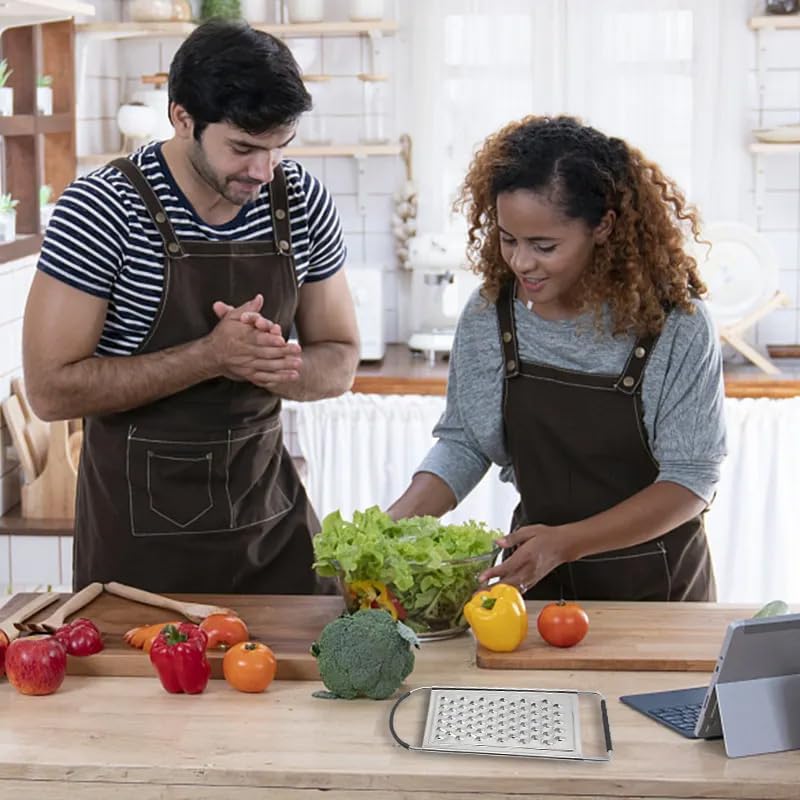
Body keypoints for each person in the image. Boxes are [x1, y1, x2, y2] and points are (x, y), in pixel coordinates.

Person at [22, 20, 360, 594]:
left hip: (270, 531)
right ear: (182, 118)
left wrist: (272, 363)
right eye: (244, 148)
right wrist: (210, 356)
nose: (264, 171)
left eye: (279, 147)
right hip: (139, 554)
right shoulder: (102, 208)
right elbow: (50, 391)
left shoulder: (299, 200)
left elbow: (342, 358)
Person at [388, 115, 726, 602]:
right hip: (536, 581)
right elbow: (465, 441)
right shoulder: (491, 315)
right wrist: (392, 526)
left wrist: (566, 544)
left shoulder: (675, 325)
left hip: (660, 591)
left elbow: (690, 481)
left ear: (604, 227)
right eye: (508, 239)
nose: (521, 262)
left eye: (544, 246)